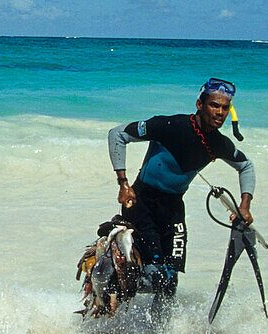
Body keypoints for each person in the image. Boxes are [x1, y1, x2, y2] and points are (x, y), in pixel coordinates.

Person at [107, 78, 255, 299]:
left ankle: (160, 333)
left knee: (170, 280)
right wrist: (123, 183)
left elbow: (246, 166)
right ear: (199, 104)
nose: (220, 112)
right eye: (214, 105)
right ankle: (113, 292)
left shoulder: (219, 144)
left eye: (225, 108)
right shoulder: (170, 126)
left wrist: (244, 205)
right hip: (141, 203)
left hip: (174, 208)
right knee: (154, 271)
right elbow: (117, 134)